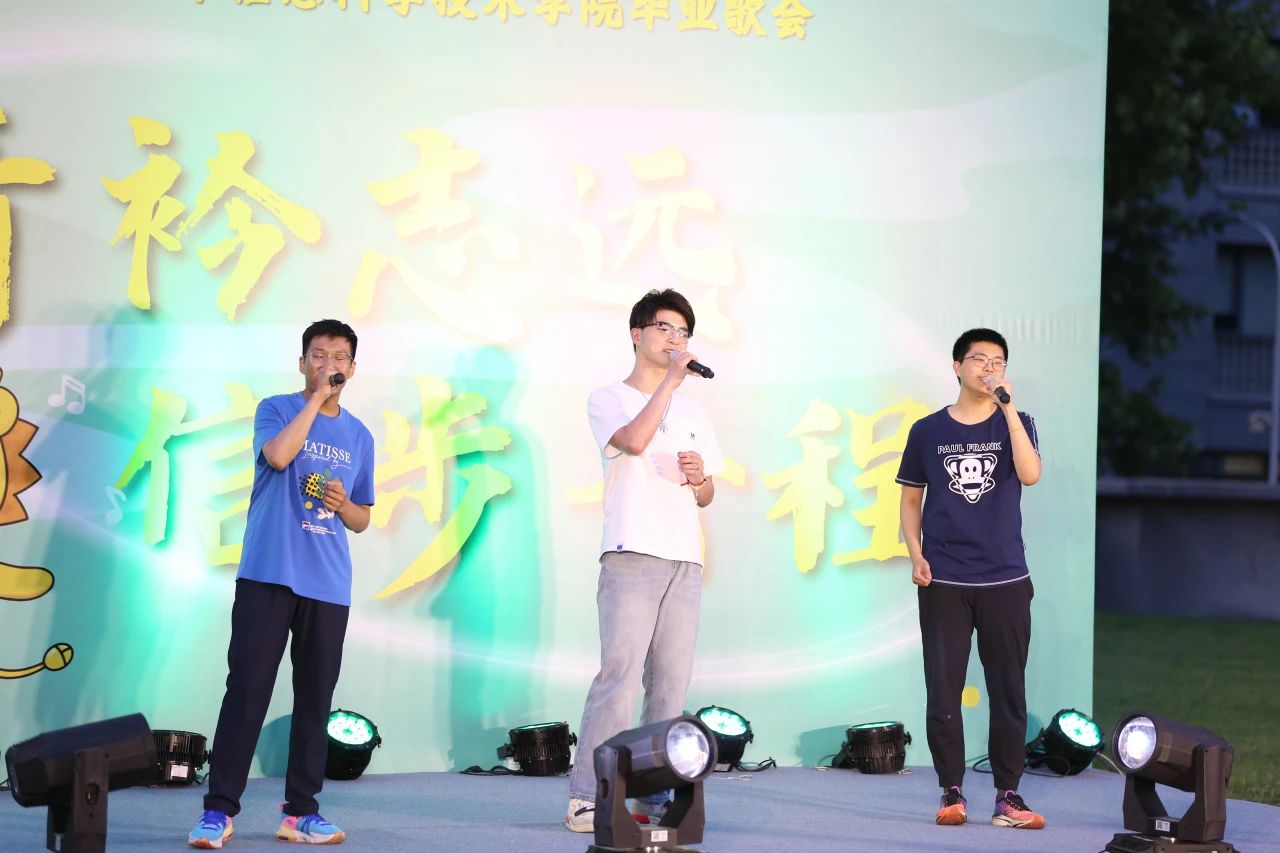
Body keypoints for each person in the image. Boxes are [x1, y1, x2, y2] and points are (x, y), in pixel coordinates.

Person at [189, 319, 375, 849]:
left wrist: (344, 505)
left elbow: (362, 518)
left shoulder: (360, 436)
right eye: (318, 355)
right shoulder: (276, 408)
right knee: (247, 690)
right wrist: (315, 401)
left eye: (338, 358)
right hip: (269, 573)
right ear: (302, 363)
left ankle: (300, 812)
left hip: (328, 582)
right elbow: (277, 456)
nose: (328, 365)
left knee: (315, 699)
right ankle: (218, 811)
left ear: (352, 368)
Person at [565, 289, 724, 833]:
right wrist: (670, 384)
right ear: (637, 334)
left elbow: (707, 495)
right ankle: (586, 796)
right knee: (619, 678)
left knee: (670, 686)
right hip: (632, 552)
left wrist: (700, 478)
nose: (675, 339)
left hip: (685, 559)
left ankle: (655, 796)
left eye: (683, 332)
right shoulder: (608, 398)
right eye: (664, 328)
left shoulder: (695, 412)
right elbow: (633, 441)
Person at [896, 327, 1045, 830]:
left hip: (1006, 578)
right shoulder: (928, 430)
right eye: (979, 359)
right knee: (943, 690)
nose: (989, 368)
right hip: (945, 579)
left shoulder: (1017, 421)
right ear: (957, 366)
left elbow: (1030, 474)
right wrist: (915, 553)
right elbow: (911, 499)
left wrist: (1008, 410)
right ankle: (951, 791)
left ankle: (1008, 796)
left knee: (1008, 691)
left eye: (997, 361)